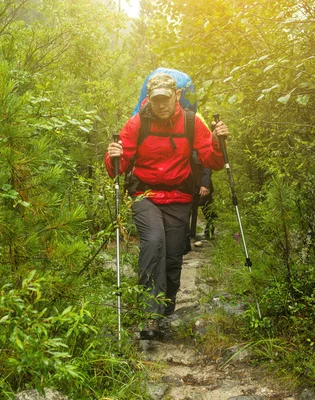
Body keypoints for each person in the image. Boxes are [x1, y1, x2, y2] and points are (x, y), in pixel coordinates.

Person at [105, 72, 229, 340]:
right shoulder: (138, 123)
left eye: (167, 99)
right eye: (156, 99)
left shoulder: (191, 122)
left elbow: (212, 160)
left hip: (179, 197)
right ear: (149, 99)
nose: (161, 105)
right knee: (153, 241)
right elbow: (117, 168)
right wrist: (113, 156)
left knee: (173, 256)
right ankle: (149, 315)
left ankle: (164, 311)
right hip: (145, 195)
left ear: (177, 97)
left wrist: (219, 143)